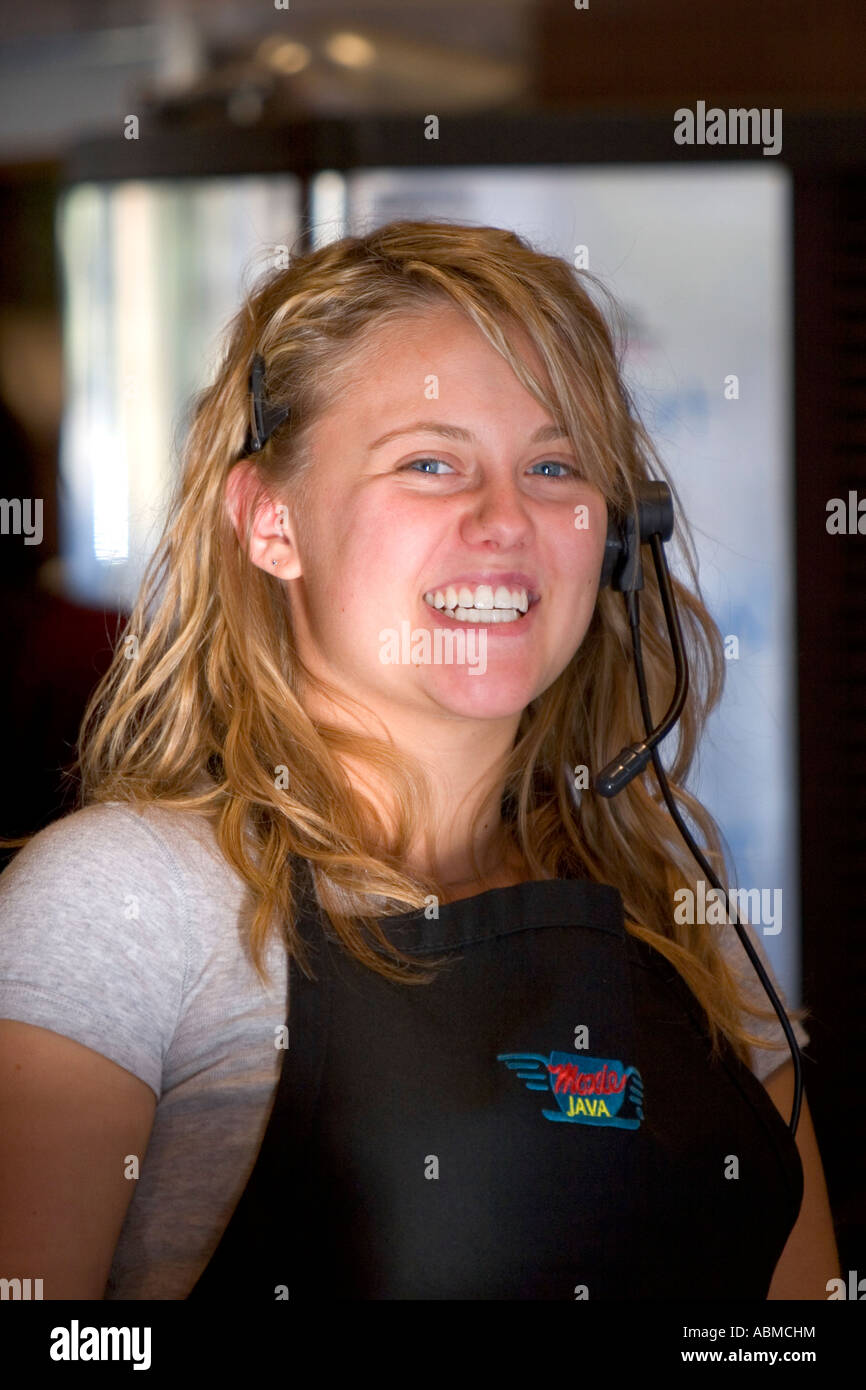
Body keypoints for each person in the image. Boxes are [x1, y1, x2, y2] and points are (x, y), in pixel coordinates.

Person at [0, 220, 839, 1301]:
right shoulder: (123, 904)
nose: (504, 520)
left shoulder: (674, 917)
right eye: (429, 462)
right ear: (270, 522)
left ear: (616, 537)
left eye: (553, 466)